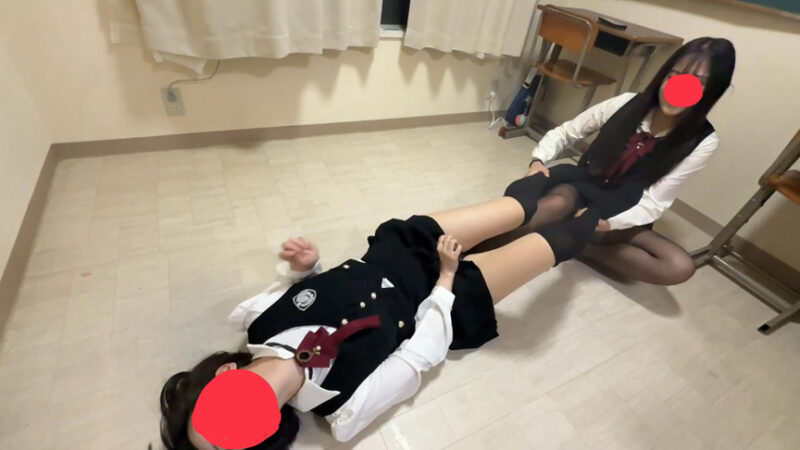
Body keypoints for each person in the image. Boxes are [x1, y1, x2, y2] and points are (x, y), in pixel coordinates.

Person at [158, 182, 602, 450]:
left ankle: (582, 178)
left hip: (399, 251)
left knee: (536, 204)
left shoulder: (259, 321)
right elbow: (418, 356)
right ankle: (607, 213)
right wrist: (447, 277)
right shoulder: (343, 409)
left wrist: (307, 267)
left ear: (223, 376)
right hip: (442, 299)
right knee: (567, 235)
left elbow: (312, 292)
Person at [473, 37, 736, 285]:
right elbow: (567, 132)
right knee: (554, 205)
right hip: (583, 188)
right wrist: (538, 160)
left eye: (697, 83)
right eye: (673, 75)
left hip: (623, 208)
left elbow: (654, 201)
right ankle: (466, 255)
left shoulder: (703, 141)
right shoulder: (627, 103)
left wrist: (608, 223)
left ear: (713, 91)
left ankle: (578, 244)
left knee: (679, 266)